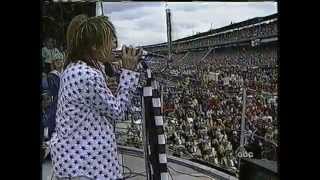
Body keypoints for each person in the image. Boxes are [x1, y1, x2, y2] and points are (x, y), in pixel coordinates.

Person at [50, 15, 142, 180]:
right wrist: (129, 72)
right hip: (85, 167)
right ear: (93, 46)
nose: (114, 44)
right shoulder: (86, 74)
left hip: (83, 164)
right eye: (110, 40)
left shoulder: (78, 68)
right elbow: (117, 111)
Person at [45, 51, 64, 140]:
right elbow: (53, 91)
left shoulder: (65, 72)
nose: (59, 62)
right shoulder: (51, 75)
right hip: (56, 99)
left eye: (60, 60)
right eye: (56, 60)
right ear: (53, 63)